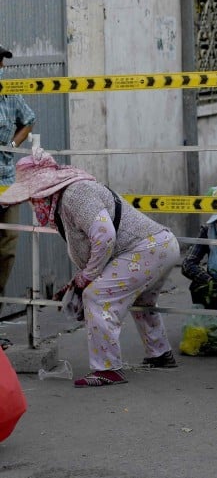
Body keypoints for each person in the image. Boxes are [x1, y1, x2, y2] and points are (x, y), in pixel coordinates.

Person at [0, 148, 180, 387]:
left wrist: (88, 277)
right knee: (142, 302)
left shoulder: (75, 194)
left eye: (32, 196)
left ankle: (108, 370)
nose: (33, 204)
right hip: (158, 246)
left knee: (97, 297)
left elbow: (104, 236)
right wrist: (81, 279)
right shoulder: (71, 195)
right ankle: (159, 353)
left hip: (145, 249)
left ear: (44, 190)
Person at [0, 44, 36, 302]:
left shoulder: (9, 93)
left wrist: (12, 145)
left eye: (2, 62)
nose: (2, 67)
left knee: (8, 244)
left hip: (6, 179)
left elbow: (29, 120)